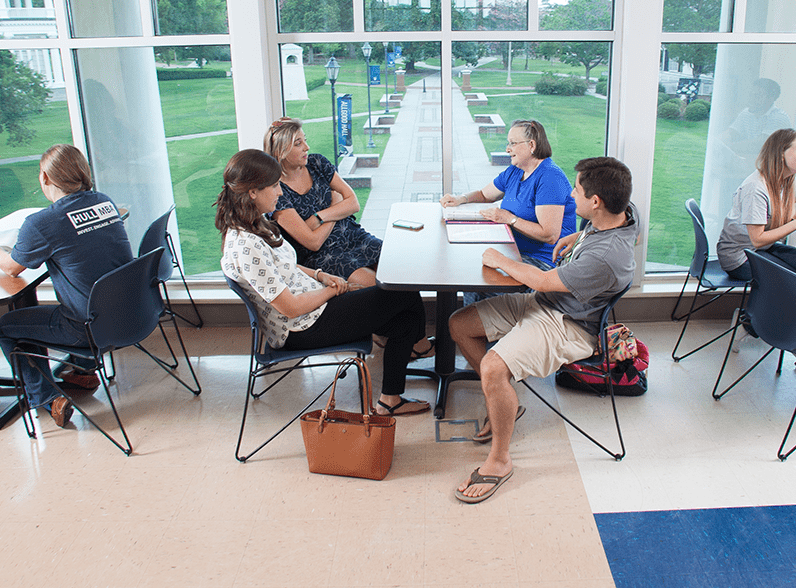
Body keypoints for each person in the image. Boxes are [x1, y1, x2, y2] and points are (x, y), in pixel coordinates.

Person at [446, 156, 638, 503]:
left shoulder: (606, 256)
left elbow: (543, 281)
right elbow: (617, 225)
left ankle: (500, 461)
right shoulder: (621, 211)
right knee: (459, 324)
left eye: (577, 191)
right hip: (550, 304)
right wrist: (581, 235)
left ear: (596, 202)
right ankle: (504, 399)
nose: (570, 195)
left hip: (569, 324)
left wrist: (500, 260)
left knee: (492, 366)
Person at [218, 149, 431, 417]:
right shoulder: (245, 245)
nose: (280, 193)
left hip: (313, 309)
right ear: (252, 192)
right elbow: (291, 308)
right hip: (301, 327)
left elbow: (285, 266)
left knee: (404, 318)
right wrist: (331, 293)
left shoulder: (254, 224)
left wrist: (319, 275)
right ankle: (410, 364)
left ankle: (390, 399)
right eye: (274, 186)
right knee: (402, 294)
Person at [0, 144, 132, 428]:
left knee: (8, 328)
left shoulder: (42, 223)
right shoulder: (104, 202)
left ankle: (46, 398)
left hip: (88, 327)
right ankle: (83, 371)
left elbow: (11, 268)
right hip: (131, 313)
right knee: (78, 298)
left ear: (44, 177)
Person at [439, 119, 577, 304]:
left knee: (477, 282)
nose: (507, 149)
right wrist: (460, 198)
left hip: (542, 263)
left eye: (512, 143)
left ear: (531, 145)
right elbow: (484, 194)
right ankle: (470, 329)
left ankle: (474, 328)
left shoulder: (550, 178)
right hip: (514, 251)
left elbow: (549, 235)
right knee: (470, 272)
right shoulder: (515, 171)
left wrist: (509, 219)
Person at [264, 117, 382, 289]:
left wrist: (319, 217)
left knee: (397, 274)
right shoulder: (277, 192)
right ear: (280, 152)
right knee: (378, 287)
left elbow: (353, 203)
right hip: (324, 256)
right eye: (298, 143)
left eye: (305, 140)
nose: (307, 147)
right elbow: (313, 242)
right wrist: (336, 208)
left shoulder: (317, 163)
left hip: (353, 236)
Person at [714, 128, 796, 295]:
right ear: (781, 153)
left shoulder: (786, 180)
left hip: (761, 249)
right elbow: (758, 240)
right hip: (739, 257)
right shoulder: (756, 189)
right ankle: (780, 318)